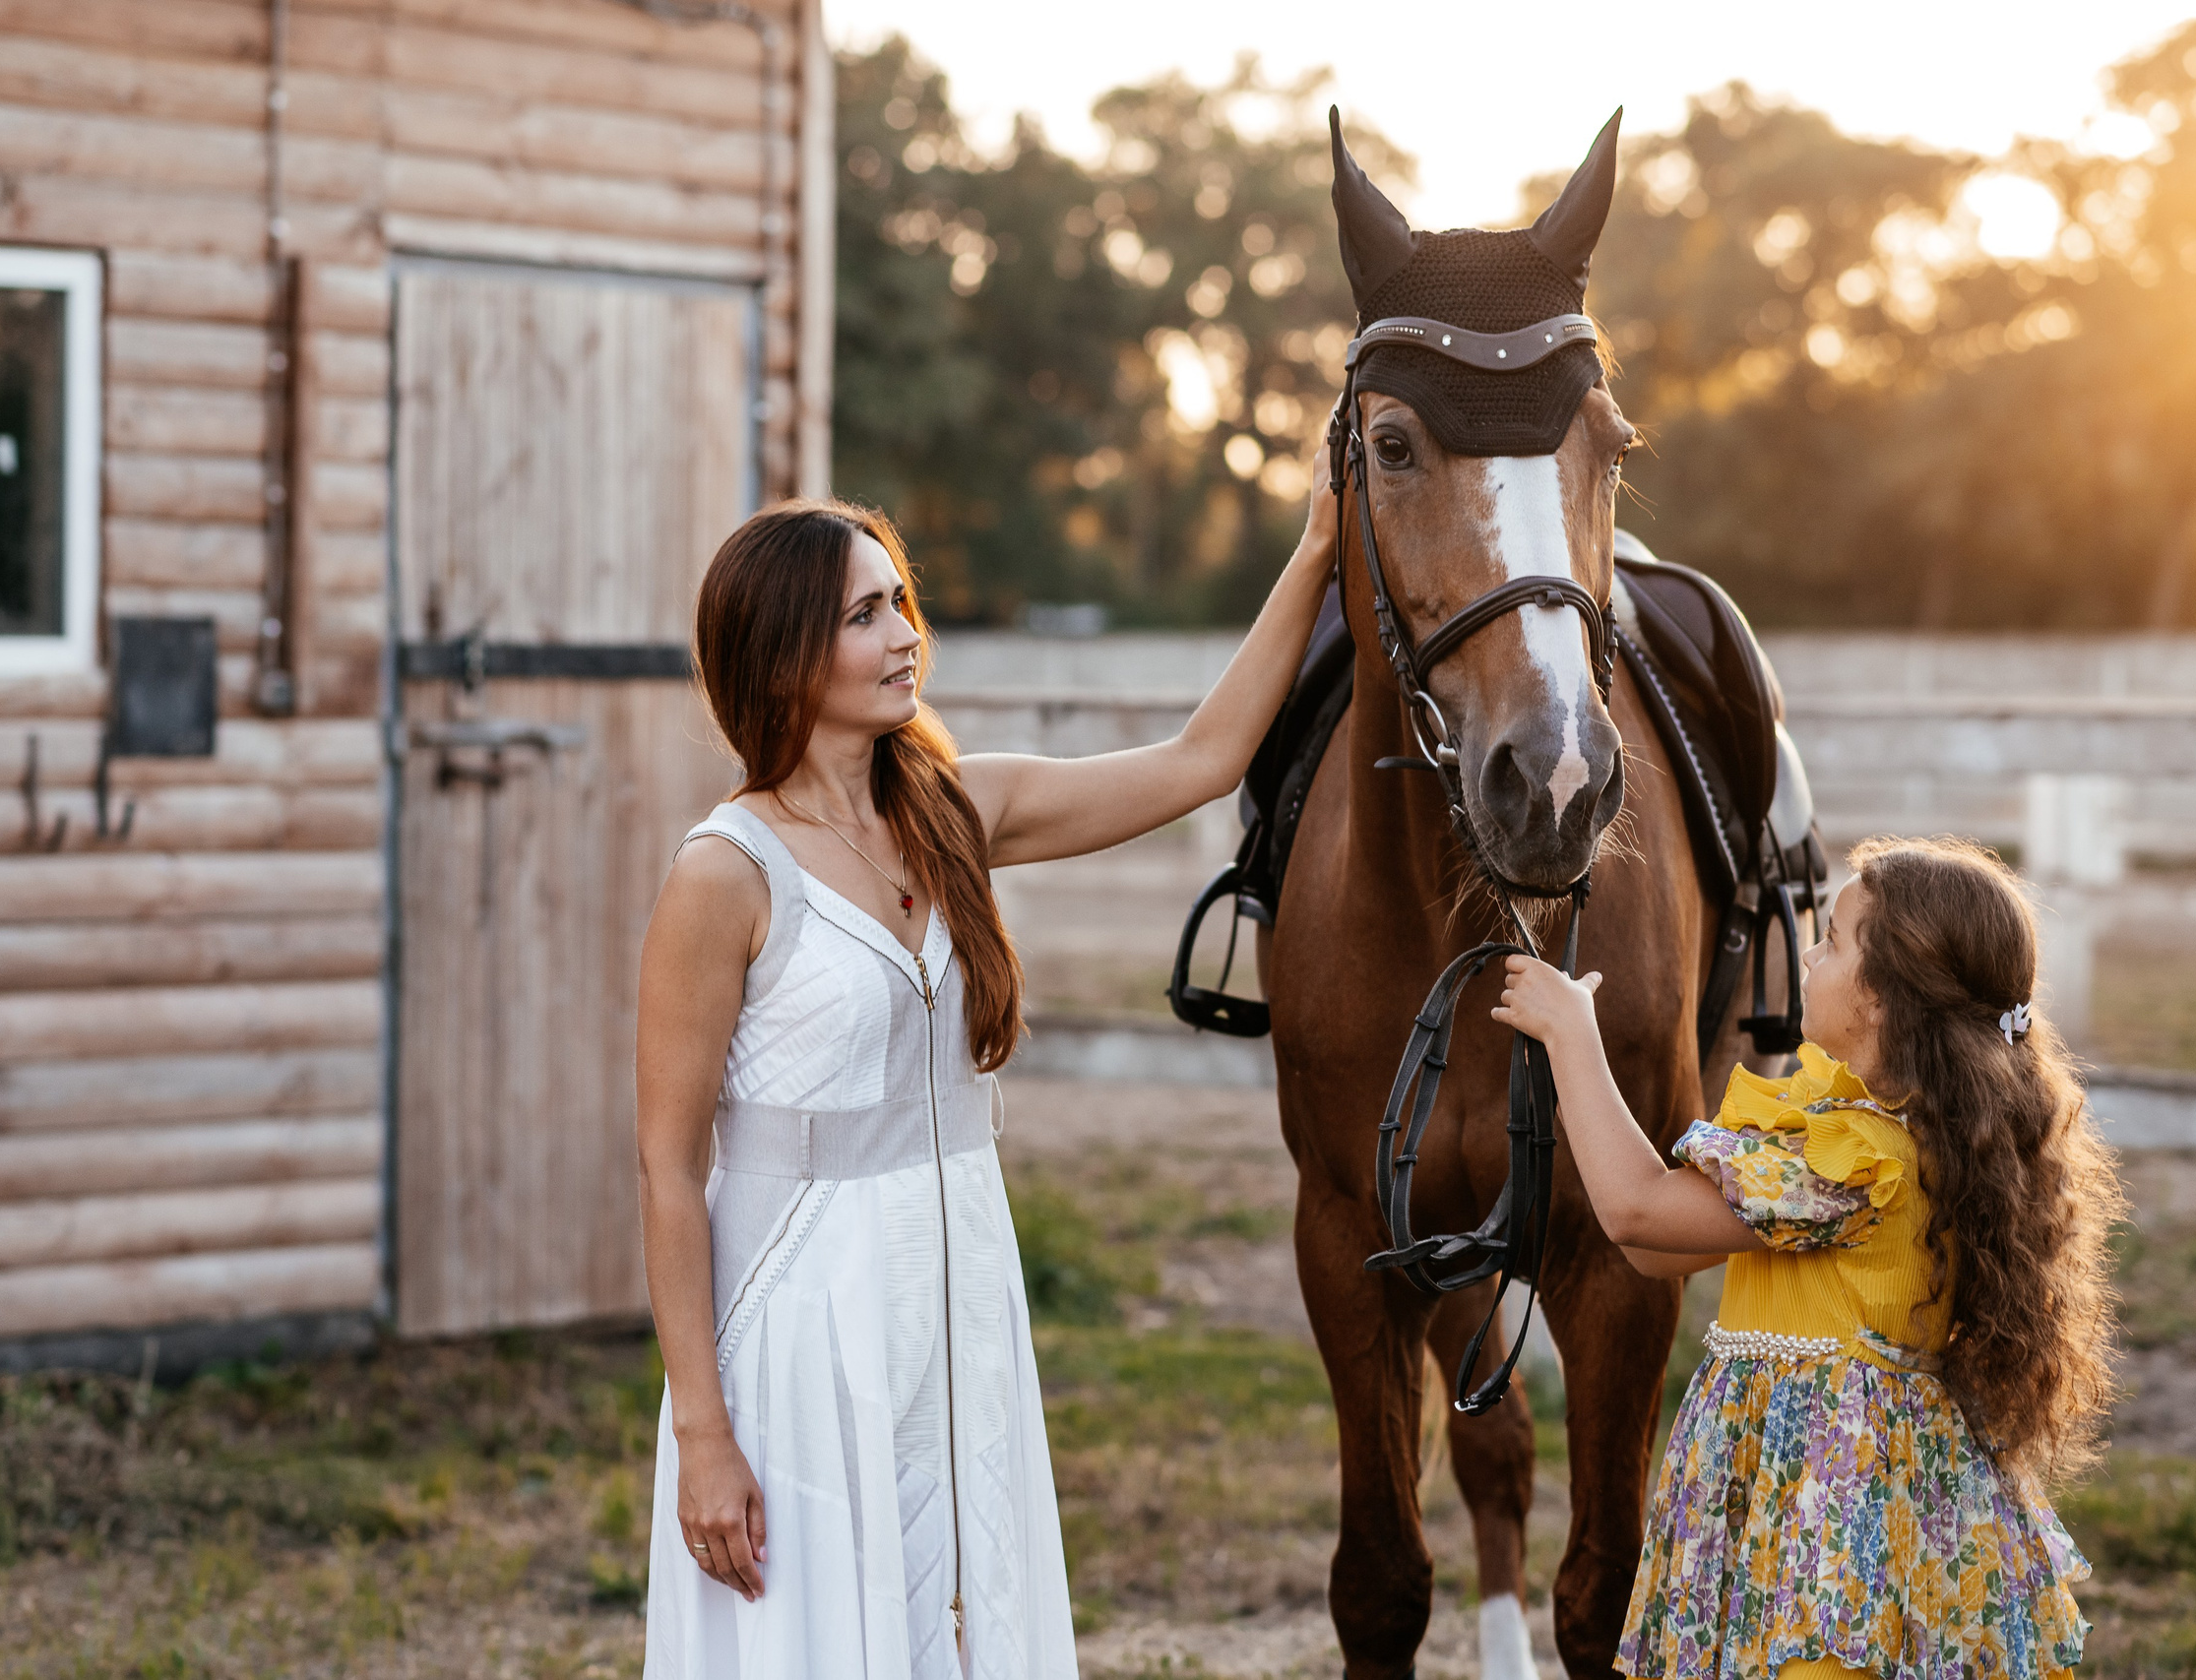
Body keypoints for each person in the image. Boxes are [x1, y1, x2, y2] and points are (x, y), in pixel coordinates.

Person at [634, 462, 1337, 1679]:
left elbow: (1203, 761)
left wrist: (1321, 542)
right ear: (779, 651)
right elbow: (663, 1165)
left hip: (959, 1291)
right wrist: (704, 1428)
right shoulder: (726, 873)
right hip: (805, 1327)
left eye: (899, 601)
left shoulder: (958, 811)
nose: (905, 635)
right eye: (863, 615)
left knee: (968, 1610)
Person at [1491, 835, 2120, 1680]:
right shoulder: (1856, 1128)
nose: (1810, 955)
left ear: (1883, 999)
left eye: (1831, 940)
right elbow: (1650, 1246)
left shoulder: (1866, 1164)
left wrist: (1574, 1038)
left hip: (1829, 1530)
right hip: (1795, 1507)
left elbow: (1633, 1204)